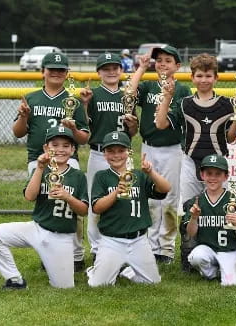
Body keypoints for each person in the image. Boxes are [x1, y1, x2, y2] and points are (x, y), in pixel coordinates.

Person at [153, 53, 236, 271]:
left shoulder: (227, 104)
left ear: (216, 78)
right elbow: (161, 123)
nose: (204, 80)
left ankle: (221, 249)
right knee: (189, 208)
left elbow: (230, 137)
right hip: (190, 161)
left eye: (208, 76)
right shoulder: (185, 104)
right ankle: (189, 255)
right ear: (192, 78)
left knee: (218, 208)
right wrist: (166, 97)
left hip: (217, 165)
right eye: (200, 76)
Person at [12, 52, 90, 271]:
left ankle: (75, 256)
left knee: (71, 207)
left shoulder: (72, 101)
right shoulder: (32, 98)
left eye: (61, 70)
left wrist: (74, 128)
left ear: (67, 74)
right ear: (43, 72)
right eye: (51, 69)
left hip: (68, 161)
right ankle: (48, 252)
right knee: (44, 206)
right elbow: (18, 133)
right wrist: (24, 117)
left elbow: (84, 138)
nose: (56, 73)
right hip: (38, 160)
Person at [0, 126, 89, 289]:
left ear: (73, 149)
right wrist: (40, 168)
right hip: (37, 229)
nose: (60, 149)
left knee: (64, 287)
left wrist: (67, 196)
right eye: (55, 145)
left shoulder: (78, 176)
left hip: (61, 237)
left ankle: (52, 262)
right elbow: (29, 197)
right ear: (46, 148)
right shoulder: (40, 169)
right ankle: (14, 279)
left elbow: (83, 211)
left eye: (66, 145)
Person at [129, 45, 192, 264]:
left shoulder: (182, 90)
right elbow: (129, 93)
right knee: (151, 198)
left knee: (170, 199)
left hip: (172, 149)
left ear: (177, 66)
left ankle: (165, 248)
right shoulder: (148, 86)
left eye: (168, 60)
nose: (162, 64)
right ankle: (150, 245)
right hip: (149, 147)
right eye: (159, 60)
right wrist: (141, 68)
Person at [86, 131, 171, 287]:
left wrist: (151, 172)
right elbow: (97, 208)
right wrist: (117, 192)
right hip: (112, 239)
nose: (116, 155)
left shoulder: (139, 175)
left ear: (129, 152)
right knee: (98, 285)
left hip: (139, 240)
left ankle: (127, 270)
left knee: (152, 283)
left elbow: (165, 189)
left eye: (120, 150)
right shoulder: (102, 176)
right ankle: (96, 270)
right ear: (104, 154)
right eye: (111, 151)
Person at [79, 52, 139, 262]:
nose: (111, 72)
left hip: (124, 154)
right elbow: (84, 127)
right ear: (99, 72)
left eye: (115, 67)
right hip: (98, 153)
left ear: (121, 70)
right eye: (106, 68)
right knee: (96, 201)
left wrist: (133, 126)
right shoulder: (92, 94)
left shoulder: (127, 96)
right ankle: (97, 249)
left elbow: (132, 132)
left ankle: (123, 245)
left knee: (125, 199)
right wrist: (84, 104)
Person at [182, 154, 236, 286]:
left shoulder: (233, 201)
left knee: (232, 284)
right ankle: (212, 272)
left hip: (229, 250)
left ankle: (230, 269)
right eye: (209, 173)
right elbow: (191, 233)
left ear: (225, 176)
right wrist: (194, 218)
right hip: (206, 249)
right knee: (196, 256)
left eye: (218, 174)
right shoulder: (196, 201)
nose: (213, 178)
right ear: (202, 175)